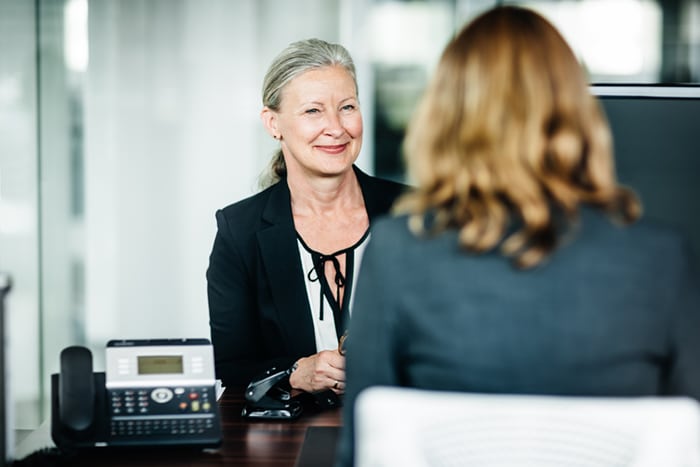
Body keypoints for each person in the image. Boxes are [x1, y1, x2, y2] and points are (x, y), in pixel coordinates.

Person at [337, 6, 700, 466]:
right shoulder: (661, 259)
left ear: (445, 115)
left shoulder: (396, 255)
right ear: (581, 112)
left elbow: (361, 455)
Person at [206, 38, 407, 393]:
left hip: (401, 428)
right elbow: (229, 366)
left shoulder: (414, 213)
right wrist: (295, 372)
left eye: (347, 107)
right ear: (273, 123)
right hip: (290, 441)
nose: (336, 127)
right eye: (313, 111)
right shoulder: (239, 231)